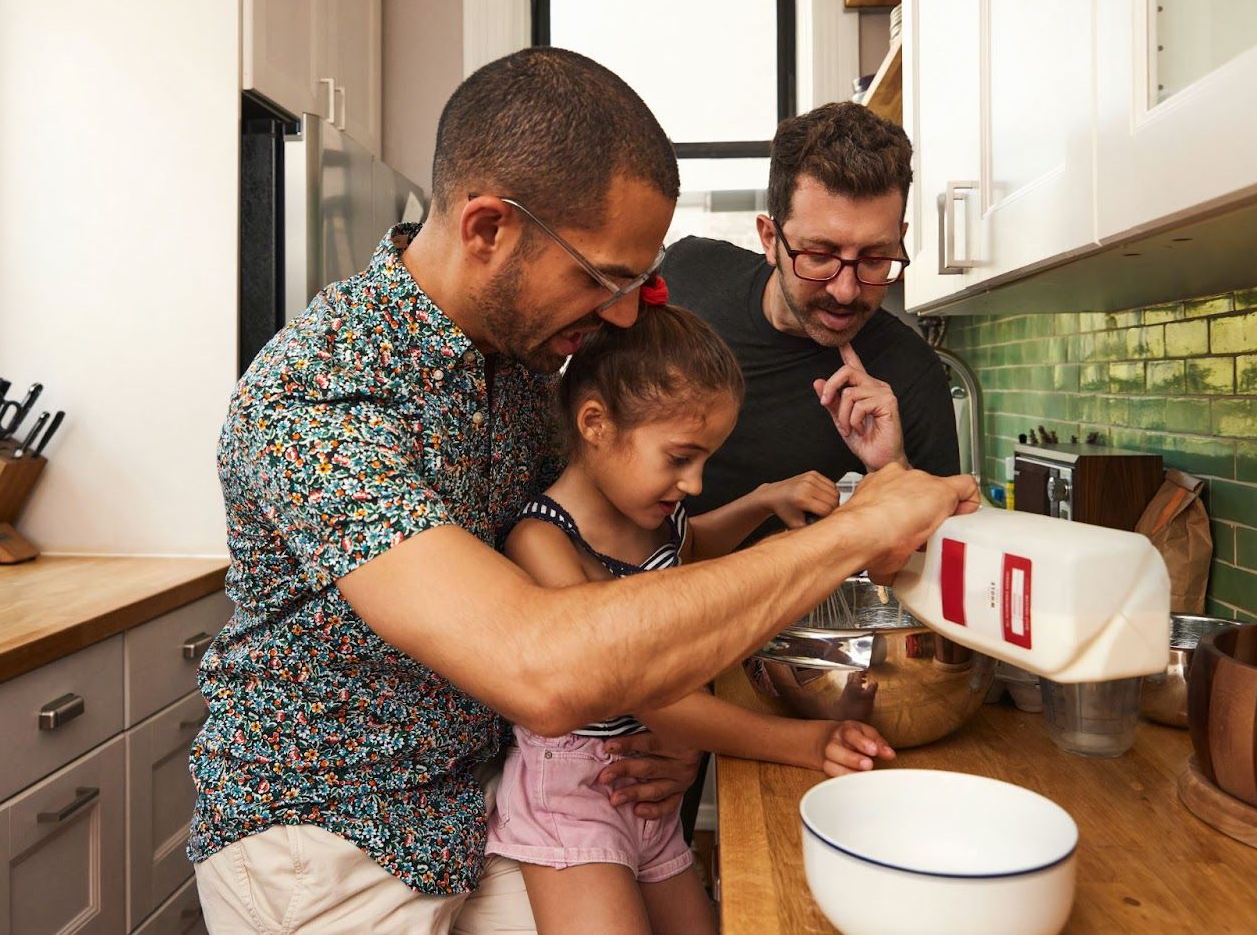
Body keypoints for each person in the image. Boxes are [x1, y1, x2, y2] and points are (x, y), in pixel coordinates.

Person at [189, 48, 978, 934]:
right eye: (605, 279)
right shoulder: (315, 397)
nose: (622, 316)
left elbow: (609, 585)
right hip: (324, 848)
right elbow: (541, 661)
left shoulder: (531, 366)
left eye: (638, 285)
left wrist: (666, 723)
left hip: (476, 809)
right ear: (488, 229)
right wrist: (854, 529)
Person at [487, 289, 895, 935]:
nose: (696, 483)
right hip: (568, 799)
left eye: (706, 459)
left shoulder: (658, 512)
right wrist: (805, 743)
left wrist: (762, 500)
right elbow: (646, 690)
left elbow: (691, 544)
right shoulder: (544, 541)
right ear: (595, 424)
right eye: (681, 457)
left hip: (645, 792)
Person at [660, 101, 963, 838]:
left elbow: (933, 597)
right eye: (820, 254)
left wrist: (888, 470)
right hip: (629, 622)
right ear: (769, 236)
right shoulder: (686, 278)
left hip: (754, 666)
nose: (847, 288)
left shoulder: (911, 379)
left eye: (876, 259)